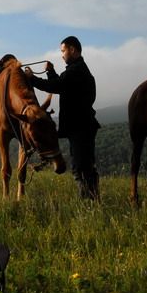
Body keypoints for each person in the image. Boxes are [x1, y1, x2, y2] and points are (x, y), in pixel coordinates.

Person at [27, 36, 101, 200]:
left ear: (72, 50)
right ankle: (93, 200)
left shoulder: (76, 71)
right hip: (84, 126)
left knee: (80, 167)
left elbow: (56, 86)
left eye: (63, 50)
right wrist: (50, 71)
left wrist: (31, 78)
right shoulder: (78, 70)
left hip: (80, 128)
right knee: (86, 165)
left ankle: (88, 203)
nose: (62, 55)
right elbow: (61, 85)